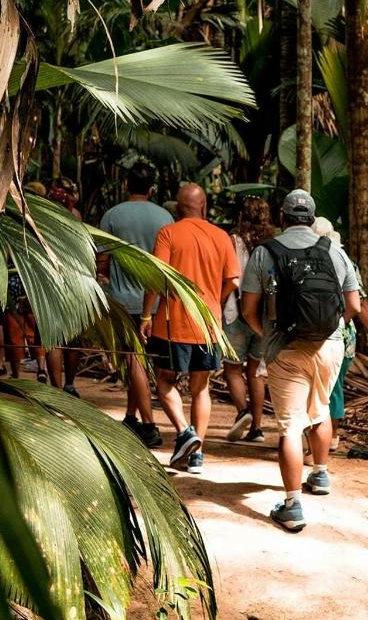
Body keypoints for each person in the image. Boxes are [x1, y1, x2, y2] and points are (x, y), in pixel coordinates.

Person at [241, 190, 360, 532]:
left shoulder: (265, 252)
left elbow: (249, 310)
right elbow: (353, 305)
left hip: (285, 348)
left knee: (290, 425)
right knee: (319, 408)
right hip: (329, 346)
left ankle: (292, 505)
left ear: (282, 218)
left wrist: (269, 334)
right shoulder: (334, 251)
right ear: (311, 217)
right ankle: (320, 474)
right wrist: (334, 330)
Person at [140, 183, 239, 475]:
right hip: (208, 323)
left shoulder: (169, 233)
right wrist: (213, 302)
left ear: (177, 207)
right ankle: (197, 455)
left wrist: (146, 316)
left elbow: (157, 277)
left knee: (164, 380)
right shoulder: (221, 236)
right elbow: (233, 280)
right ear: (204, 205)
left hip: (173, 321)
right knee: (201, 387)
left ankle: (185, 432)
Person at [98, 163, 174, 447]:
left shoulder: (113, 215)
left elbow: (102, 261)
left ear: (126, 185)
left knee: (134, 360)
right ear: (152, 189)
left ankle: (150, 425)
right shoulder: (165, 216)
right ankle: (131, 417)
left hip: (124, 300)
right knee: (138, 360)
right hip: (156, 302)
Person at [310, 218, 368, 453]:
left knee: (322, 389)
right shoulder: (345, 261)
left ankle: (326, 437)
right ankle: (329, 436)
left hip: (316, 333)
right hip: (338, 334)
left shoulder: (305, 260)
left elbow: (357, 303)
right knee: (332, 387)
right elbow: (359, 303)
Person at [223, 197, 276, 443]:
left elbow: (229, 276)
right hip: (264, 315)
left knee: (232, 368)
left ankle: (242, 411)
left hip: (235, 310)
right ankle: (257, 428)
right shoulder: (273, 243)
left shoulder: (232, 240)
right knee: (257, 372)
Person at [45, 177, 84, 396]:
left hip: (52, 280)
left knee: (54, 338)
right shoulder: (75, 216)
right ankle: (68, 384)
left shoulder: (45, 215)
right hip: (75, 281)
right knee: (72, 337)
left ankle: (59, 388)